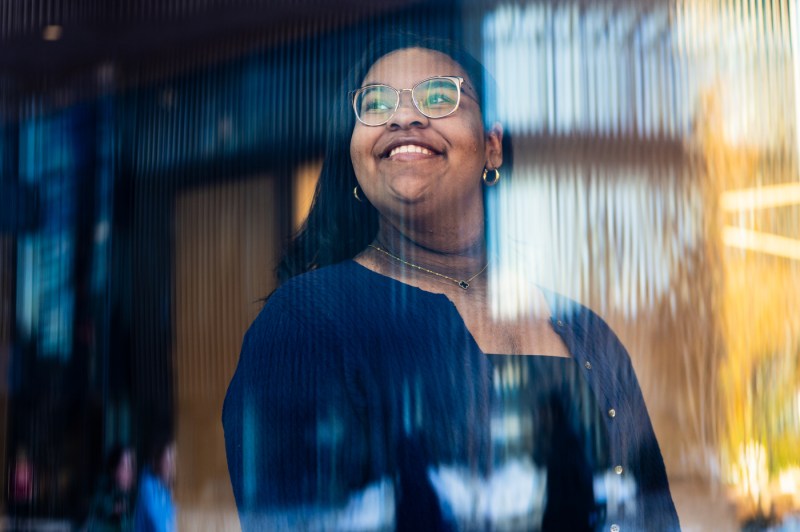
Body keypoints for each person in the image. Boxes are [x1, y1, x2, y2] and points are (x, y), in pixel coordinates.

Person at [223, 32, 680, 531]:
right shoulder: (304, 325)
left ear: (492, 147)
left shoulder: (587, 332)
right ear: (354, 155)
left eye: (439, 96)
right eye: (375, 104)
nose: (404, 117)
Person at [85, 445, 136, 531]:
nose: (129, 471)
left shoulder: (132, 501)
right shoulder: (101, 500)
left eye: (131, 466)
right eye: (124, 466)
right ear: (113, 470)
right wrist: (111, 509)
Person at [133, 434, 176, 532]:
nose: (173, 467)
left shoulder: (168, 490)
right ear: (156, 462)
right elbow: (161, 526)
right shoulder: (148, 490)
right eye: (169, 461)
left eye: (176, 460)